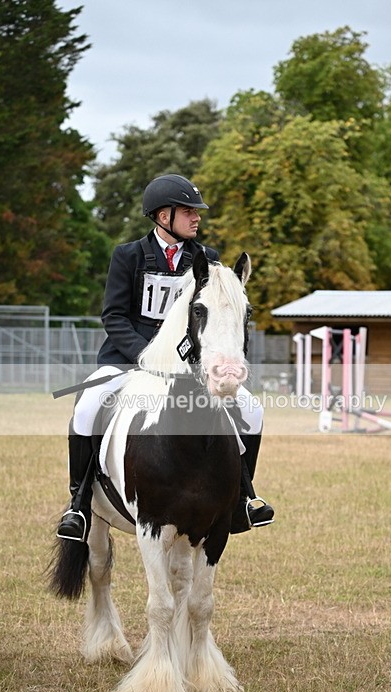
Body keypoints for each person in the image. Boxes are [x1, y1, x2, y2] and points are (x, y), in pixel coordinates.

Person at [57, 174, 274, 542]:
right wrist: (145, 356)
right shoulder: (128, 256)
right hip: (129, 359)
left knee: (252, 410)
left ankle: (241, 500)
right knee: (88, 405)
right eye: (188, 211)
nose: (197, 218)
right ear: (162, 216)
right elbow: (113, 317)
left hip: (189, 367)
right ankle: (78, 501)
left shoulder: (208, 259)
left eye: (197, 212)